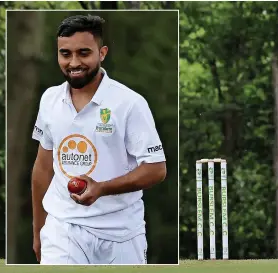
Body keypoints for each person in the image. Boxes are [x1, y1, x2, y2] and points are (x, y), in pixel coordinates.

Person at [31, 15, 167, 264]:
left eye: (84, 53)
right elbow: (42, 168)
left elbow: (156, 169)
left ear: (102, 53)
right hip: (63, 229)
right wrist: (38, 230)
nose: (74, 62)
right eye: (65, 53)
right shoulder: (49, 100)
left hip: (122, 234)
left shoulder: (129, 103)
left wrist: (102, 188)